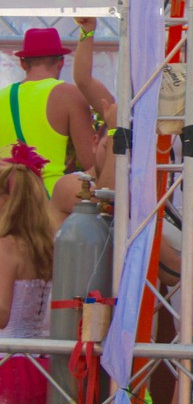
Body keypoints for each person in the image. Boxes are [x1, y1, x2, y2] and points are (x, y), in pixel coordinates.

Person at [0, 28, 98, 194]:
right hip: (48, 200)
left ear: (23, 63)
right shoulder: (69, 95)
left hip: (6, 198)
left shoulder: (2, 96)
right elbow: (90, 160)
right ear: (61, 62)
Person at [0, 143, 54, 404]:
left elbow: (1, 314)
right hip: (40, 364)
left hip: (6, 362)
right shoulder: (46, 247)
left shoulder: (6, 246)